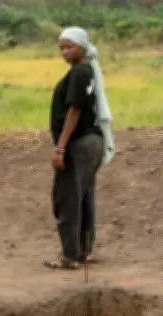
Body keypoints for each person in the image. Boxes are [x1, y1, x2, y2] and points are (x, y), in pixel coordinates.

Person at [44, 27, 114, 270]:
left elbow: (75, 111)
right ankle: (83, 251)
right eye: (62, 47)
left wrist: (60, 148)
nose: (64, 51)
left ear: (81, 47)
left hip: (79, 143)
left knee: (67, 199)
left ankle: (69, 256)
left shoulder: (79, 73)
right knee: (84, 197)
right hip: (92, 143)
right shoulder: (87, 70)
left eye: (69, 46)